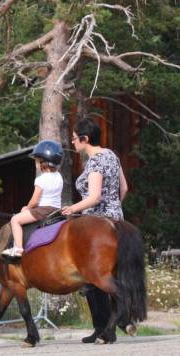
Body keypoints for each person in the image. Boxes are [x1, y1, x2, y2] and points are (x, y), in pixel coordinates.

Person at [64, 118, 129, 344]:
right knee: (100, 278)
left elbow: (93, 197)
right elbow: (124, 188)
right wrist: (115, 208)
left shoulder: (94, 162)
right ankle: (103, 327)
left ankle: (106, 324)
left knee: (88, 275)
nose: (72, 142)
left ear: (85, 139)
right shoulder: (112, 155)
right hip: (116, 219)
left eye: (74, 138)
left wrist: (71, 208)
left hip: (95, 222)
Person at [1, 140, 64, 258]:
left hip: (43, 210)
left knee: (15, 220)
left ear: (43, 162)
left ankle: (18, 249)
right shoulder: (59, 176)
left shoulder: (41, 179)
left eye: (36, 161)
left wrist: (27, 208)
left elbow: (35, 200)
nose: (36, 164)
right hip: (56, 210)